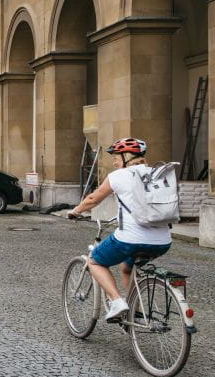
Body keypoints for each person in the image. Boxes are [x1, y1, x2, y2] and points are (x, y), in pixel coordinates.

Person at [67, 137, 171, 321]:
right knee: (127, 267)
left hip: (130, 239)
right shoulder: (158, 173)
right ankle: (133, 309)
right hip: (163, 241)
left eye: (116, 157)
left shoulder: (118, 176)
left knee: (94, 262)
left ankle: (117, 302)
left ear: (127, 156)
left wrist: (76, 211)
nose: (114, 161)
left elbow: (93, 199)